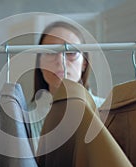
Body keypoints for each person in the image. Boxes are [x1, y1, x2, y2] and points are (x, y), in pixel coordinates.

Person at [28, 21, 104, 154]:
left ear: (84, 63)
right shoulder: (23, 118)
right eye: (50, 52)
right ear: (39, 62)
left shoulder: (110, 110)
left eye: (71, 52)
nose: (60, 60)